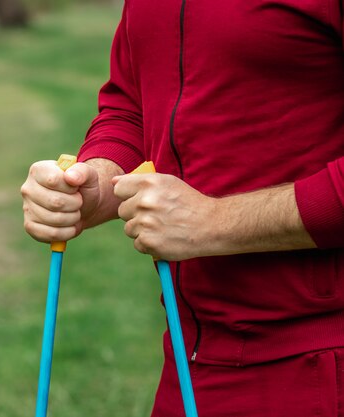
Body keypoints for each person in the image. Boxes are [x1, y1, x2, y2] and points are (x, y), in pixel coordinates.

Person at [20, 1, 344, 415]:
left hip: (317, 361)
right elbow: (132, 104)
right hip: (189, 355)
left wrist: (216, 221)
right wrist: (93, 184)